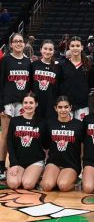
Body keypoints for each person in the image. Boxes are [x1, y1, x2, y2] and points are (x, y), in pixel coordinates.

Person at [0, 33, 31, 180]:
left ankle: (18, 163)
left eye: (21, 41)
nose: (18, 43)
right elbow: (0, 83)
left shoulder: (28, 62)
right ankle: (1, 165)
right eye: (16, 41)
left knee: (19, 135)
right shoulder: (6, 60)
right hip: (8, 102)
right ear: (11, 44)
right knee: (5, 134)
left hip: (22, 103)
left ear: (24, 44)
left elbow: (30, 85)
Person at [40, 96, 84, 192]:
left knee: (63, 186)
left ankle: (75, 182)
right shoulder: (49, 124)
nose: (63, 110)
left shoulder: (78, 125)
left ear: (70, 108)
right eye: (60, 107)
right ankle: (54, 178)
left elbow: (83, 146)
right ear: (55, 108)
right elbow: (45, 145)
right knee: (47, 186)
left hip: (71, 164)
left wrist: (83, 163)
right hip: (54, 162)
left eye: (66, 107)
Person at [6, 92, 46, 190]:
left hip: (35, 161)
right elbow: (10, 143)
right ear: (22, 104)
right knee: (13, 184)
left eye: (31, 103)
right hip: (18, 161)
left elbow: (47, 144)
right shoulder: (14, 121)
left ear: (36, 104)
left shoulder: (42, 123)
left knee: (27, 184)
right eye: (26, 102)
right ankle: (14, 172)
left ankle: (37, 174)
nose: (28, 105)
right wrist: (14, 163)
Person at [60, 36, 91, 120]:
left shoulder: (88, 66)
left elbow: (91, 84)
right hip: (66, 106)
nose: (75, 48)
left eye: (77, 46)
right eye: (72, 46)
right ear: (69, 47)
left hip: (83, 106)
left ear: (82, 47)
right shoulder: (62, 66)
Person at [31, 40, 61, 119]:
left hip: (51, 105)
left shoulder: (58, 67)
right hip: (35, 104)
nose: (47, 51)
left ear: (54, 51)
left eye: (50, 49)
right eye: (45, 48)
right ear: (41, 49)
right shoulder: (34, 65)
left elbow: (59, 87)